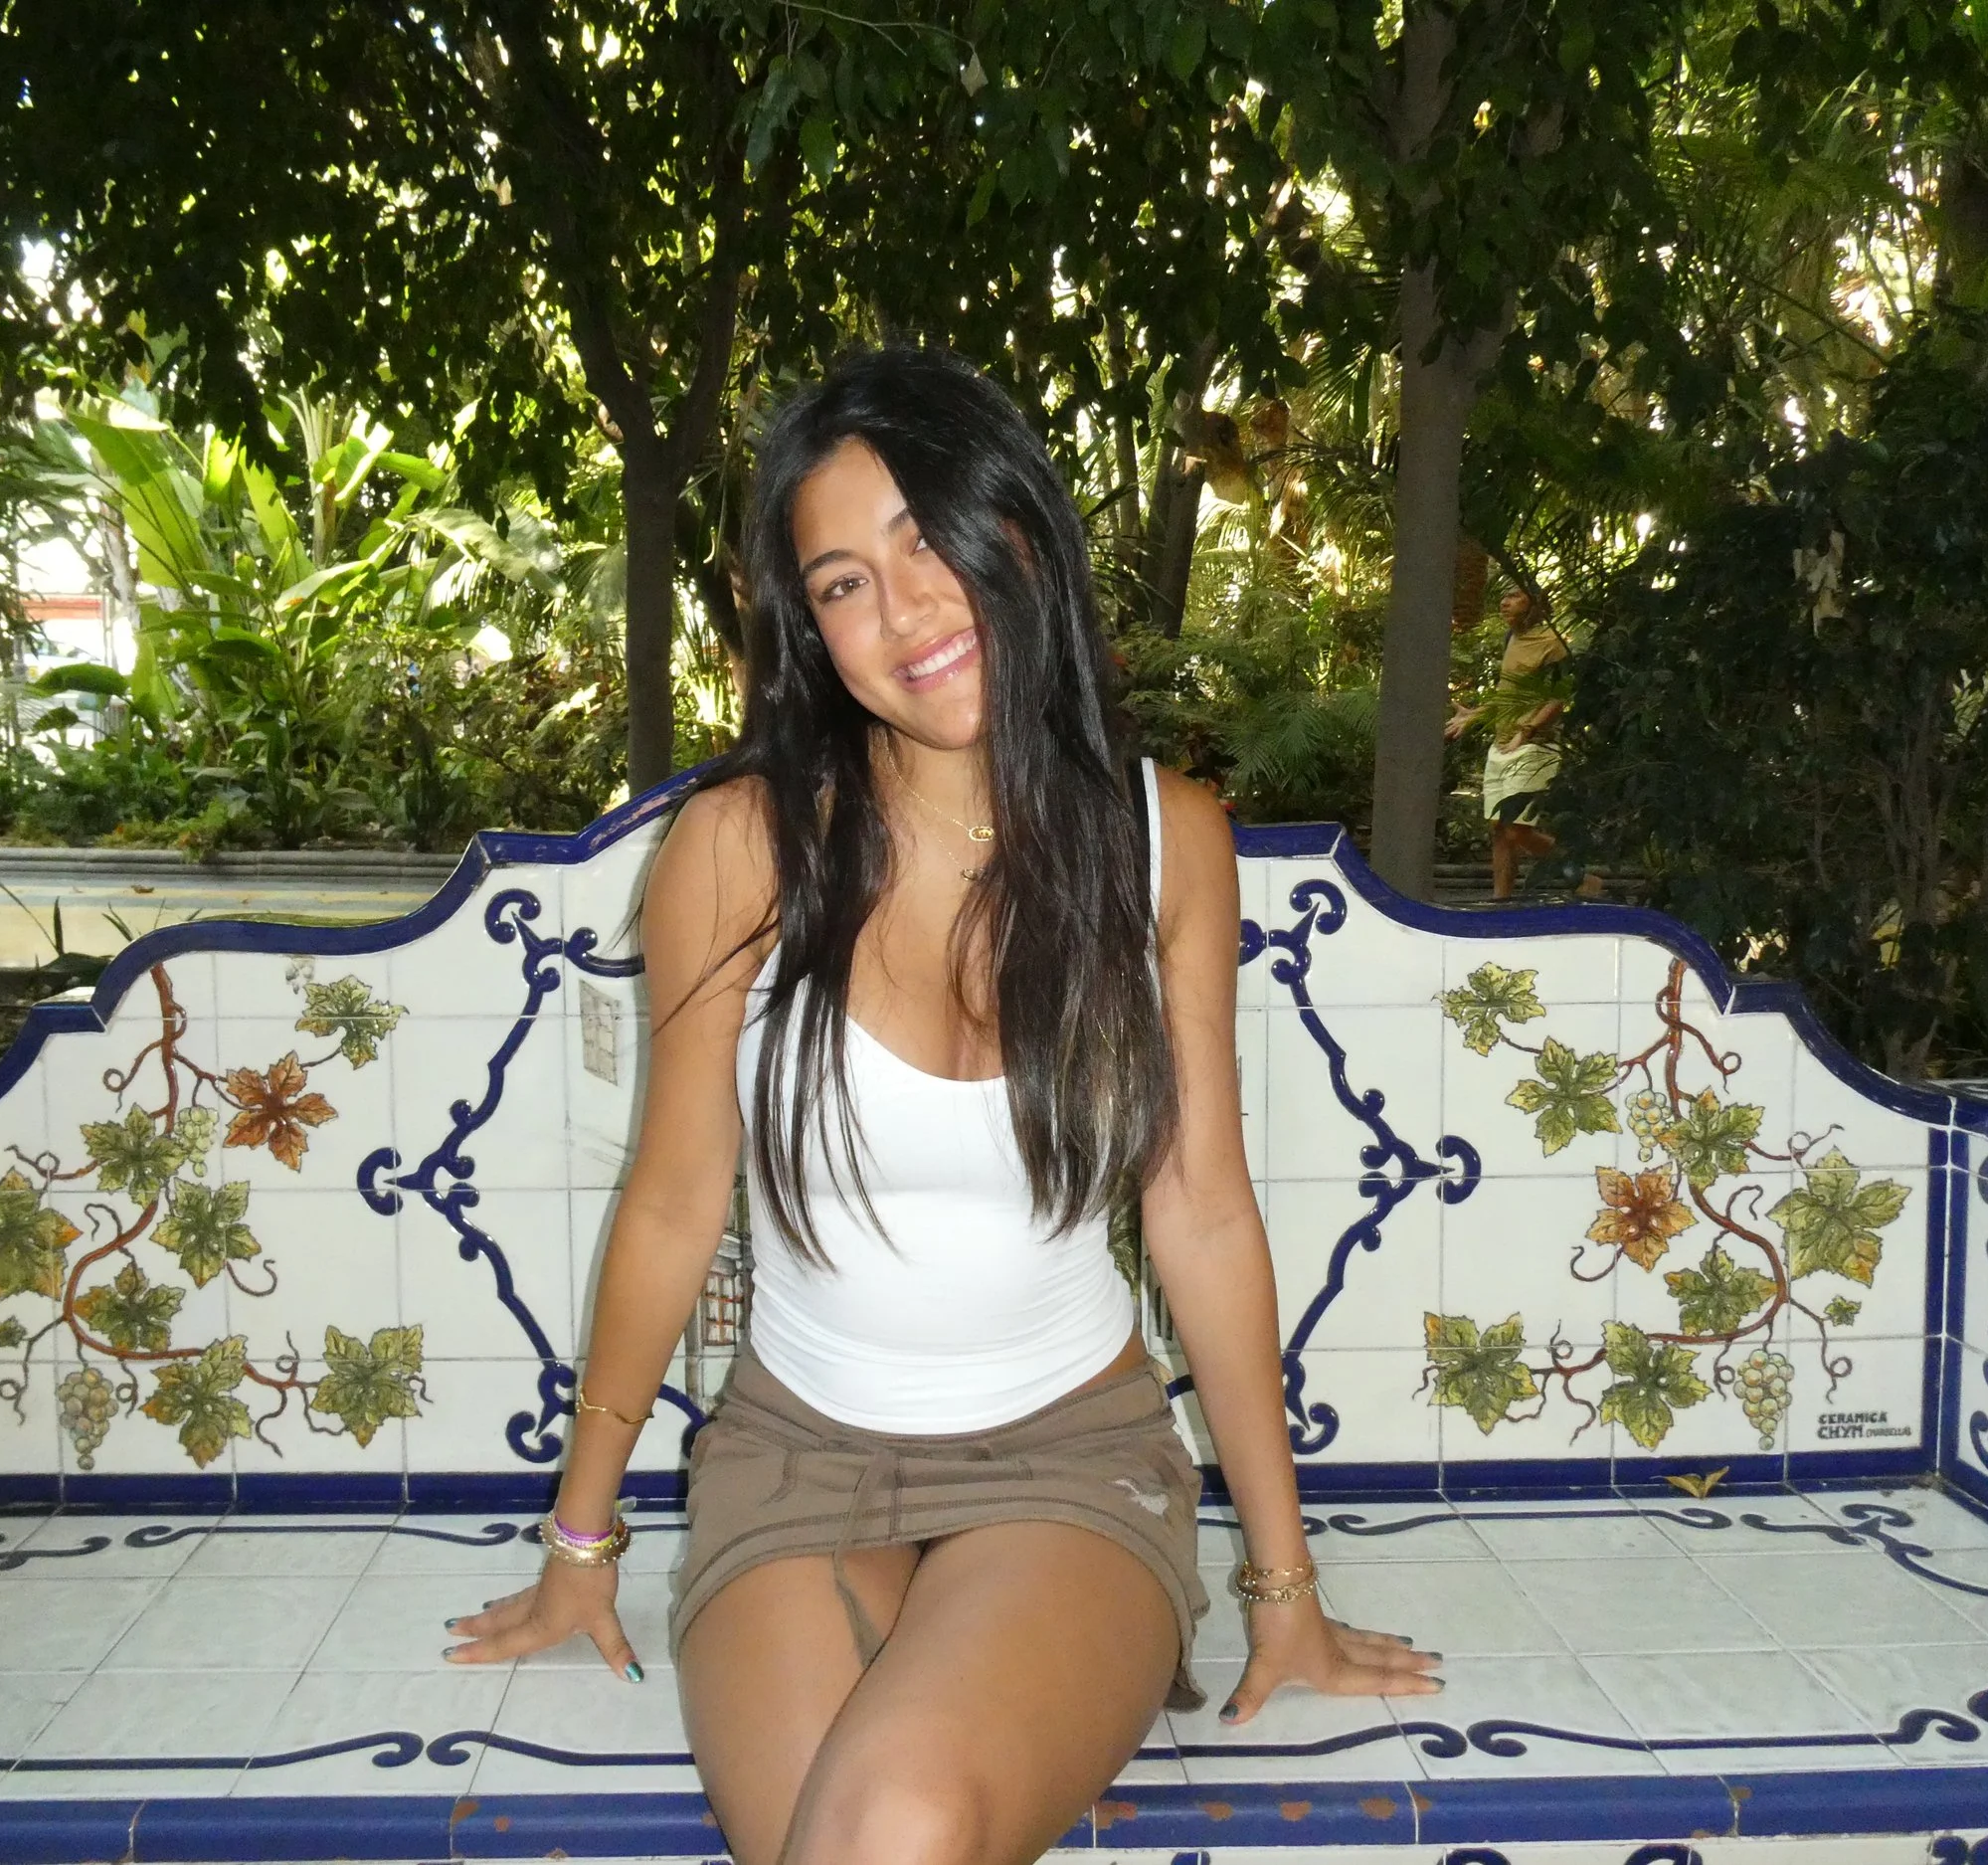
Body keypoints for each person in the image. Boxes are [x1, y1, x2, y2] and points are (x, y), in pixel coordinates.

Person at [444, 348, 1439, 1865]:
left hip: (1070, 1457)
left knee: (890, 1825)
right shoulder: (743, 848)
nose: (902, 608)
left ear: (1018, 527)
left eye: (926, 537)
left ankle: (1022, 1619)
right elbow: (670, 1200)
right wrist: (581, 1541)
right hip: (793, 1462)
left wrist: (1284, 1588)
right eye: (842, 580)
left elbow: (1202, 1210)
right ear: (806, 631)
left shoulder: (1166, 845)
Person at [1447, 587, 1568, 900]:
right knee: (1499, 831)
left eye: (1514, 596)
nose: (1504, 601)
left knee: (1517, 830)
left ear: (1535, 604)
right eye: (1502, 596)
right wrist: (1475, 715)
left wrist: (1526, 731)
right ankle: (1500, 904)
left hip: (1535, 747)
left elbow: (1558, 698)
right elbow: (1508, 696)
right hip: (1502, 747)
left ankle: (1580, 876)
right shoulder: (1510, 638)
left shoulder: (1552, 643)